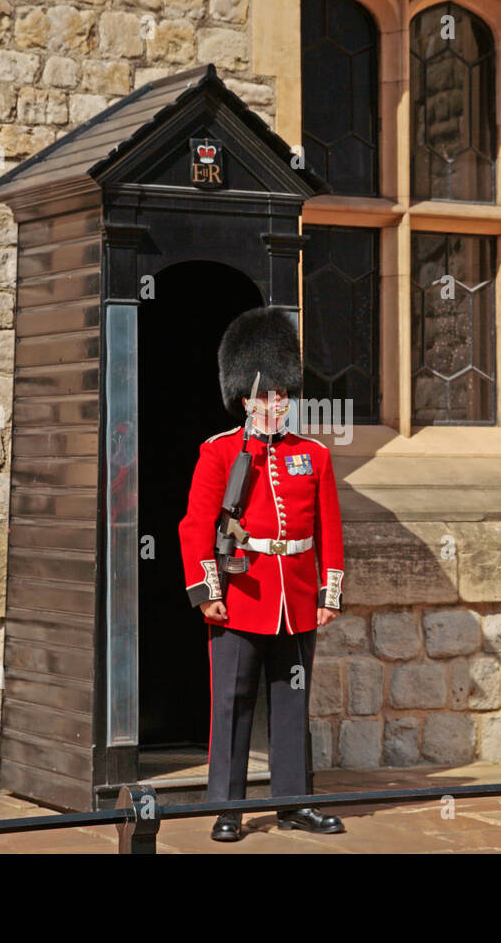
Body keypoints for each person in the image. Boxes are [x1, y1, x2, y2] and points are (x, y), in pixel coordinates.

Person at [178, 307, 346, 842]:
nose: (276, 405)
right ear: (245, 398)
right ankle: (227, 807)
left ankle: (294, 803)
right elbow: (194, 526)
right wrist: (208, 592)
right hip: (242, 593)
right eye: (266, 395)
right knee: (233, 701)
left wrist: (329, 592)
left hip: (296, 597)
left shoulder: (312, 455)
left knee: (292, 700)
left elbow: (329, 530)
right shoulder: (221, 452)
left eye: (283, 395)